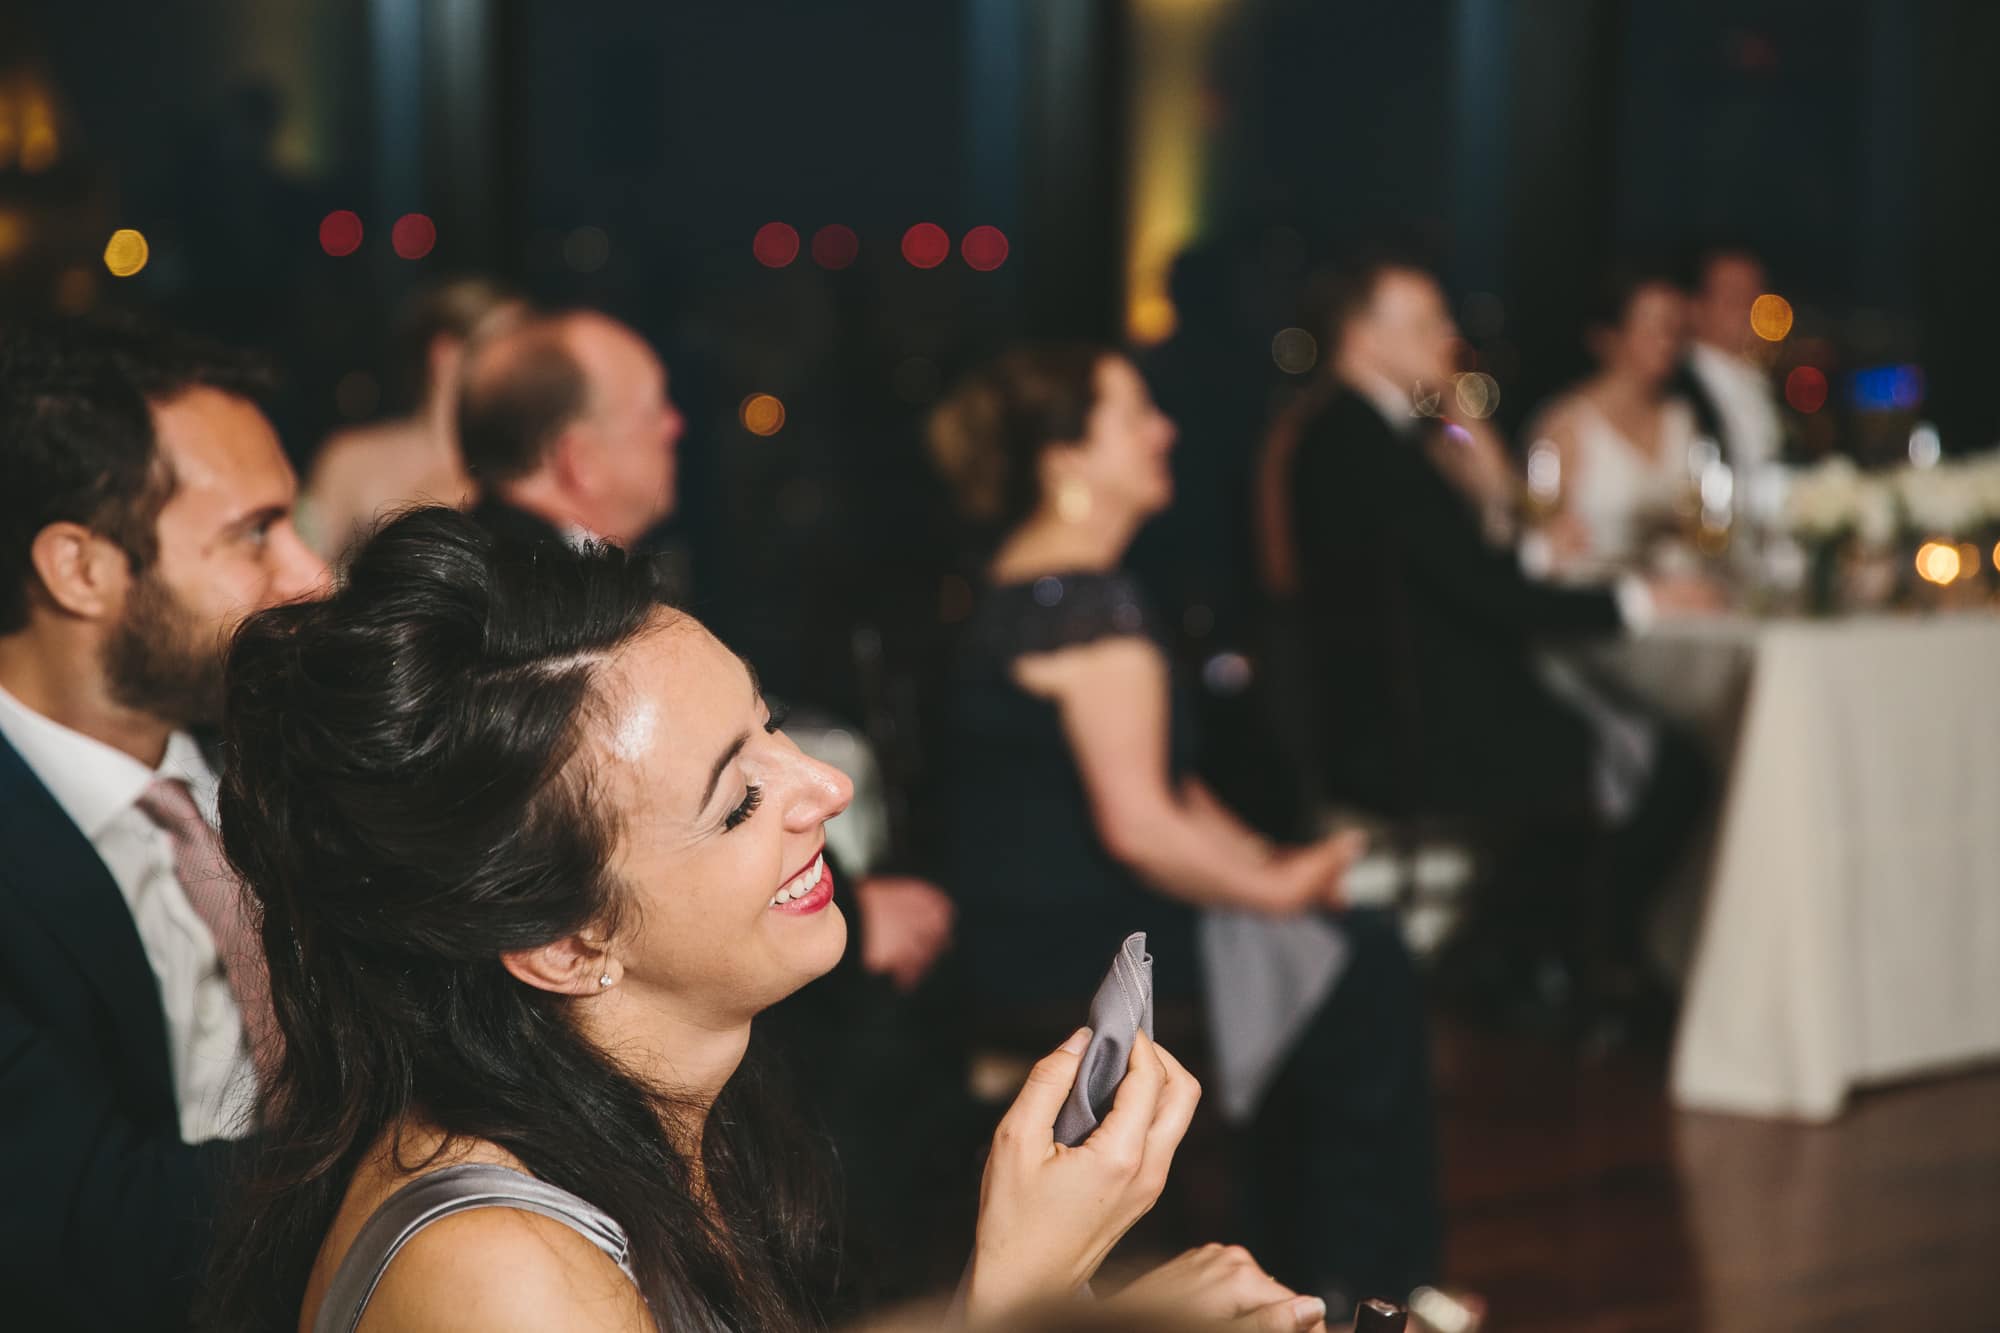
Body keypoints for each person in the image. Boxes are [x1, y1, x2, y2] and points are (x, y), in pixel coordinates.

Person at [199, 506, 1331, 1333]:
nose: (822, 793)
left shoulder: (655, 1114)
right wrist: (1018, 1294)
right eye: (738, 798)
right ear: (565, 943)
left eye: (771, 725)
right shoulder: (498, 1274)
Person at [928, 345, 1441, 1318]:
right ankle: (1365, 1289)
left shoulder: (1030, 585)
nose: (1164, 431)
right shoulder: (1086, 605)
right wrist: (1281, 888)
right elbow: (1140, 825)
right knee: (1364, 965)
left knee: (1336, 951)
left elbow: (1167, 784)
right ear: (1066, 459)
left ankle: (1325, 1277)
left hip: (1023, 922)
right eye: (1134, 417)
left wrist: (1269, 863)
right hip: (1068, 943)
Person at [1282, 253, 1715, 1026]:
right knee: (1671, 757)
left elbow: (1459, 561)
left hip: (1396, 704)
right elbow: (1484, 592)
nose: (1447, 336)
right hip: (1426, 722)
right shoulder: (1367, 446)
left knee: (1627, 730)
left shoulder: (1358, 434)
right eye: (1424, 323)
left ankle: (1540, 959)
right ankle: (1563, 964)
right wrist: (1640, 601)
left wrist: (1530, 547)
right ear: (1362, 335)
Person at [0, 317, 327, 1330]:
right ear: (80, 570)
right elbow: (94, 1232)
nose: (308, 574)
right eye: (254, 533)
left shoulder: (280, 768)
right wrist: (439, 1133)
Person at [299, 276, 525, 563]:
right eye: (503, 351)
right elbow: (306, 568)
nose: (518, 373)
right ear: (447, 354)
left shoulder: (510, 470)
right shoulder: (350, 457)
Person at [1525, 269, 1700, 574]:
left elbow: (1696, 521)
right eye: (1651, 326)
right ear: (1610, 337)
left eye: (1674, 328)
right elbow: (1538, 530)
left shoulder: (1681, 419)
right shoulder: (1567, 424)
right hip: (1588, 596)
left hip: (1673, 595)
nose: (1666, 341)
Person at [1678, 244, 1784, 475]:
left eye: (1753, 296)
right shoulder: (1677, 386)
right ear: (1697, 307)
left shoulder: (1761, 380)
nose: (1747, 309)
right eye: (1733, 296)